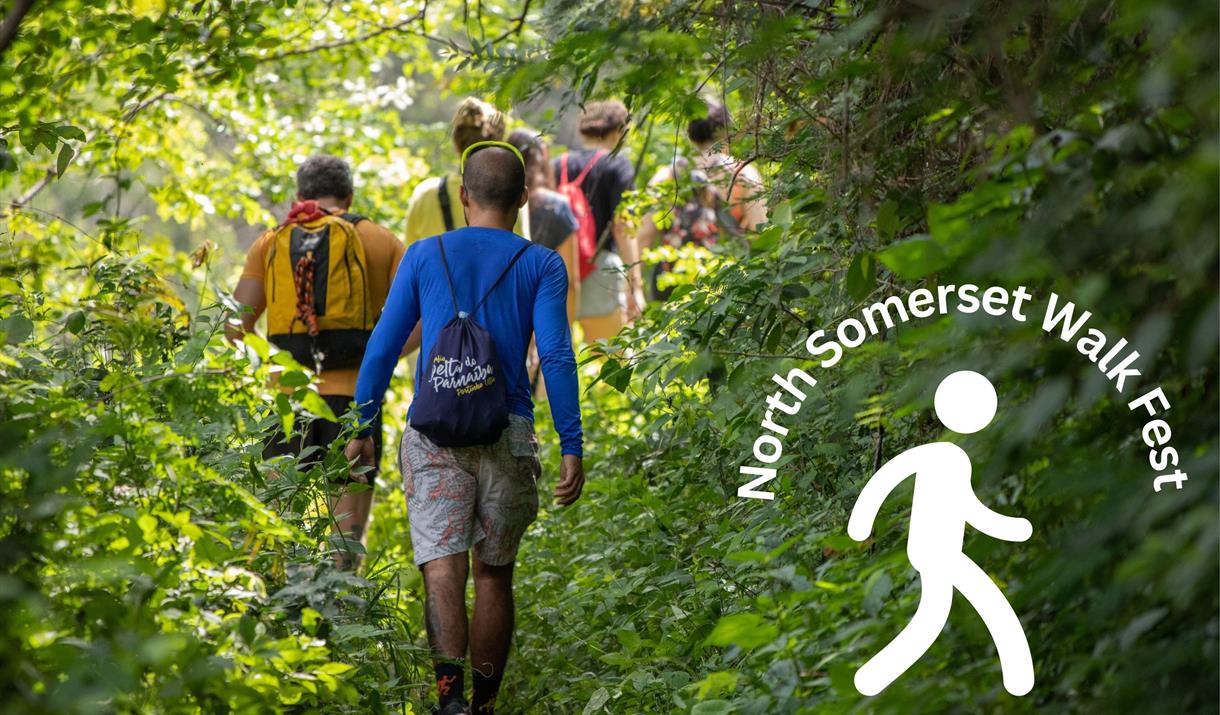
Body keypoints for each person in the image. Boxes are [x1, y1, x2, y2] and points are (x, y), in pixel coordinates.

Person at [345, 143, 585, 715]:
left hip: (433, 436)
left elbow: (381, 346)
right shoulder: (541, 264)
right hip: (509, 430)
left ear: (463, 194)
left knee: (442, 569)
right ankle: (484, 706)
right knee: (494, 575)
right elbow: (555, 354)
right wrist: (572, 442)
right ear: (524, 198)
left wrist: (362, 422)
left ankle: (448, 703)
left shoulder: (425, 256)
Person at [229, 155, 408, 569]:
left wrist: (274, 365)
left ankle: (282, 610)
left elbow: (234, 327)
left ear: (300, 196)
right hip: (355, 403)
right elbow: (420, 316)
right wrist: (382, 357)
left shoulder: (271, 242)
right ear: (349, 195)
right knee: (346, 536)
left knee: (278, 523)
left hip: (287, 402)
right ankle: (342, 615)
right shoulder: (380, 240)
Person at [847, 370, 1034, 697]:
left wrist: (1007, 527)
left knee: (933, 617)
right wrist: (861, 521)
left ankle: (873, 677)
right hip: (937, 550)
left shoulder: (949, 456)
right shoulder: (946, 455)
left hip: (937, 550)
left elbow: (965, 506)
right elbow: (889, 478)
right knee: (983, 604)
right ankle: (1018, 674)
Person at [637, 101, 767, 299]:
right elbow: (761, 235)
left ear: (689, 134)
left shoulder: (666, 176)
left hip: (674, 288)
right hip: (728, 287)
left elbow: (644, 236)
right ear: (725, 132)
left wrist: (634, 288)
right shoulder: (743, 175)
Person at [553, 99, 643, 341]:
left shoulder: (557, 165)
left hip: (558, 272)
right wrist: (636, 285)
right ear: (617, 131)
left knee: (555, 363)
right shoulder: (617, 164)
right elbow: (623, 227)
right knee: (615, 366)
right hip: (599, 269)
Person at [507, 128, 580, 319]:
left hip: (503, 315)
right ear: (542, 159)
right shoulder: (557, 206)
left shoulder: (497, 203)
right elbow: (570, 281)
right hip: (542, 318)